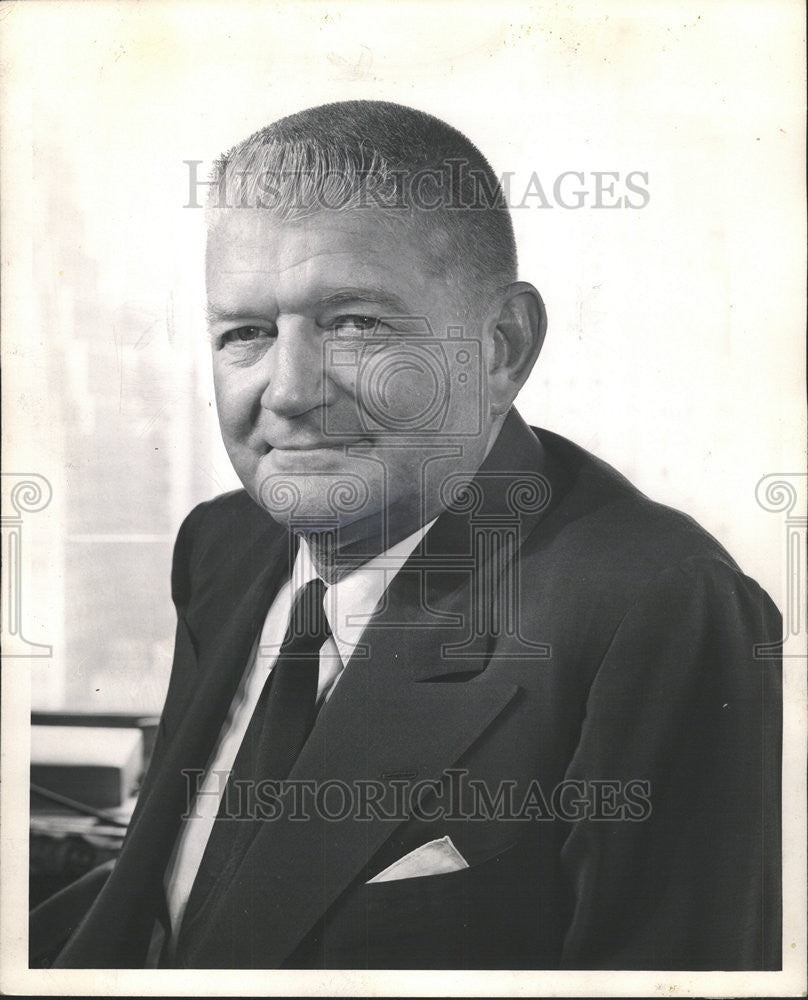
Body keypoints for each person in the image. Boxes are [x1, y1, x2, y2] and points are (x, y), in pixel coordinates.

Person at [31, 100, 782, 971]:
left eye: (355, 324)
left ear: (501, 347)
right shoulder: (222, 545)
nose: (287, 390)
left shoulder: (658, 612)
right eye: (246, 334)